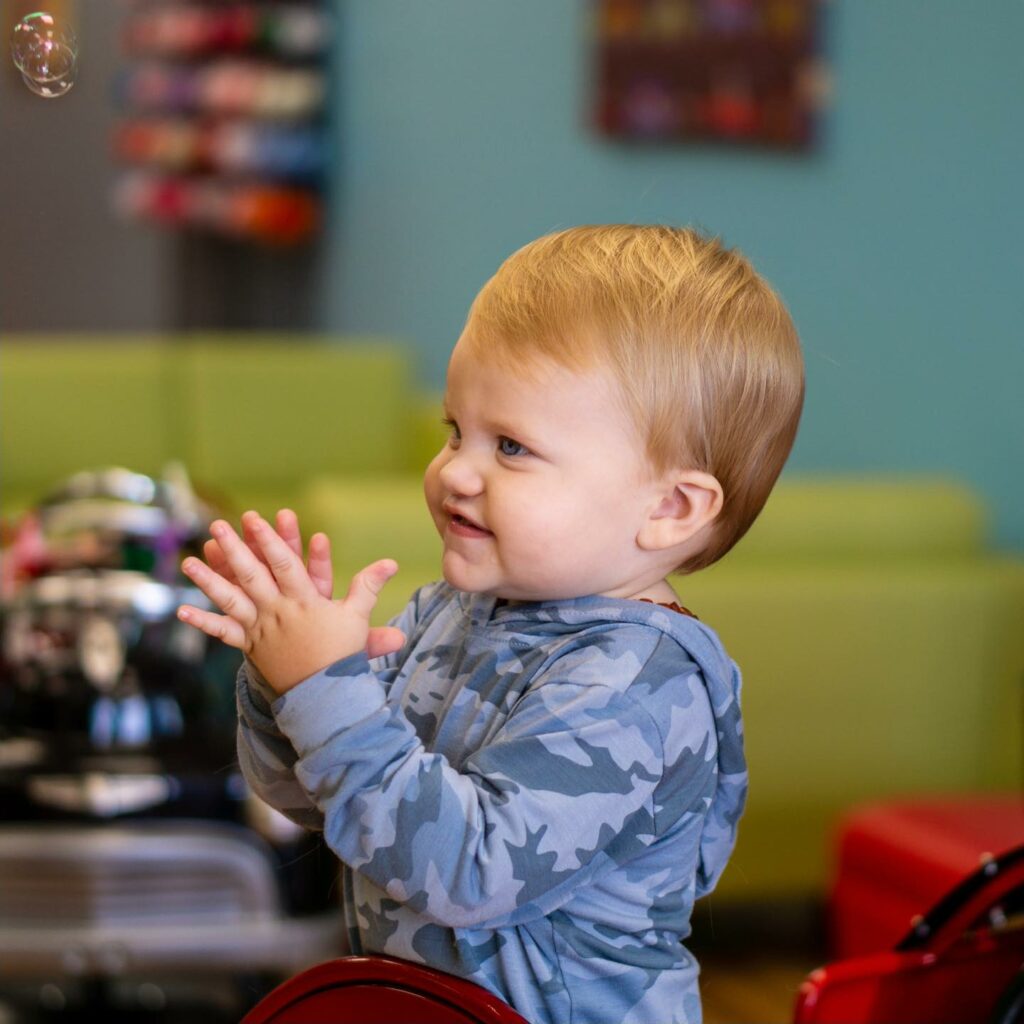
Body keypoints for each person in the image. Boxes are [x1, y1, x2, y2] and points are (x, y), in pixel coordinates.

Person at [177, 225, 805, 1024]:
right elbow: (322, 803)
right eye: (454, 430)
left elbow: (470, 873)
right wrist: (286, 683)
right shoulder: (450, 611)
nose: (454, 471)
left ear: (669, 509)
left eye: (510, 446)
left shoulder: (639, 682)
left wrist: (324, 694)